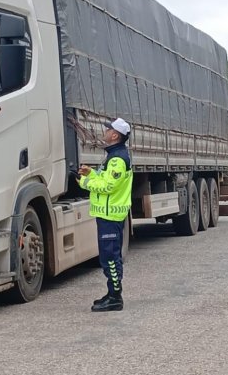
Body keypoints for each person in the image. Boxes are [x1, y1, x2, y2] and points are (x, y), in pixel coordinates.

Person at [78, 118, 133, 312]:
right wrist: (91, 173)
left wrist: (84, 182)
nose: (105, 130)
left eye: (108, 128)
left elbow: (109, 186)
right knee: (108, 256)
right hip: (107, 215)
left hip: (111, 216)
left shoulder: (117, 159)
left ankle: (115, 298)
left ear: (115, 135)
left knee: (110, 257)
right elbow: (104, 178)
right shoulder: (113, 156)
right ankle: (112, 293)